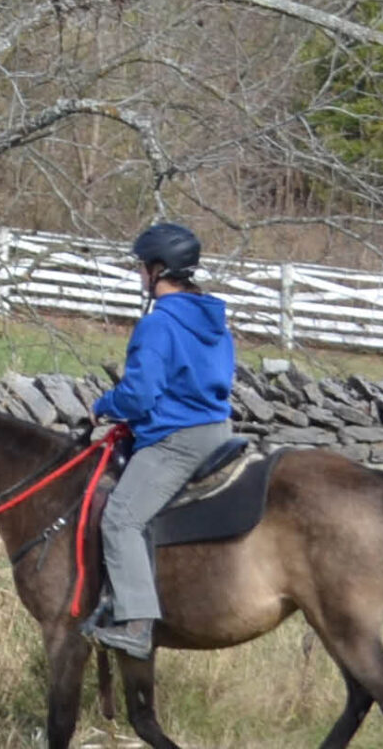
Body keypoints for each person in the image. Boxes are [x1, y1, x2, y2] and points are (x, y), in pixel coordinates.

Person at [84, 222, 236, 658]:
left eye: (141, 268)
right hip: (218, 432)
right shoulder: (214, 321)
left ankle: (135, 625)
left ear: (157, 270)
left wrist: (103, 403)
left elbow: (139, 394)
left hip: (176, 441)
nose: (139, 276)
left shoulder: (157, 326)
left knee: (121, 518)